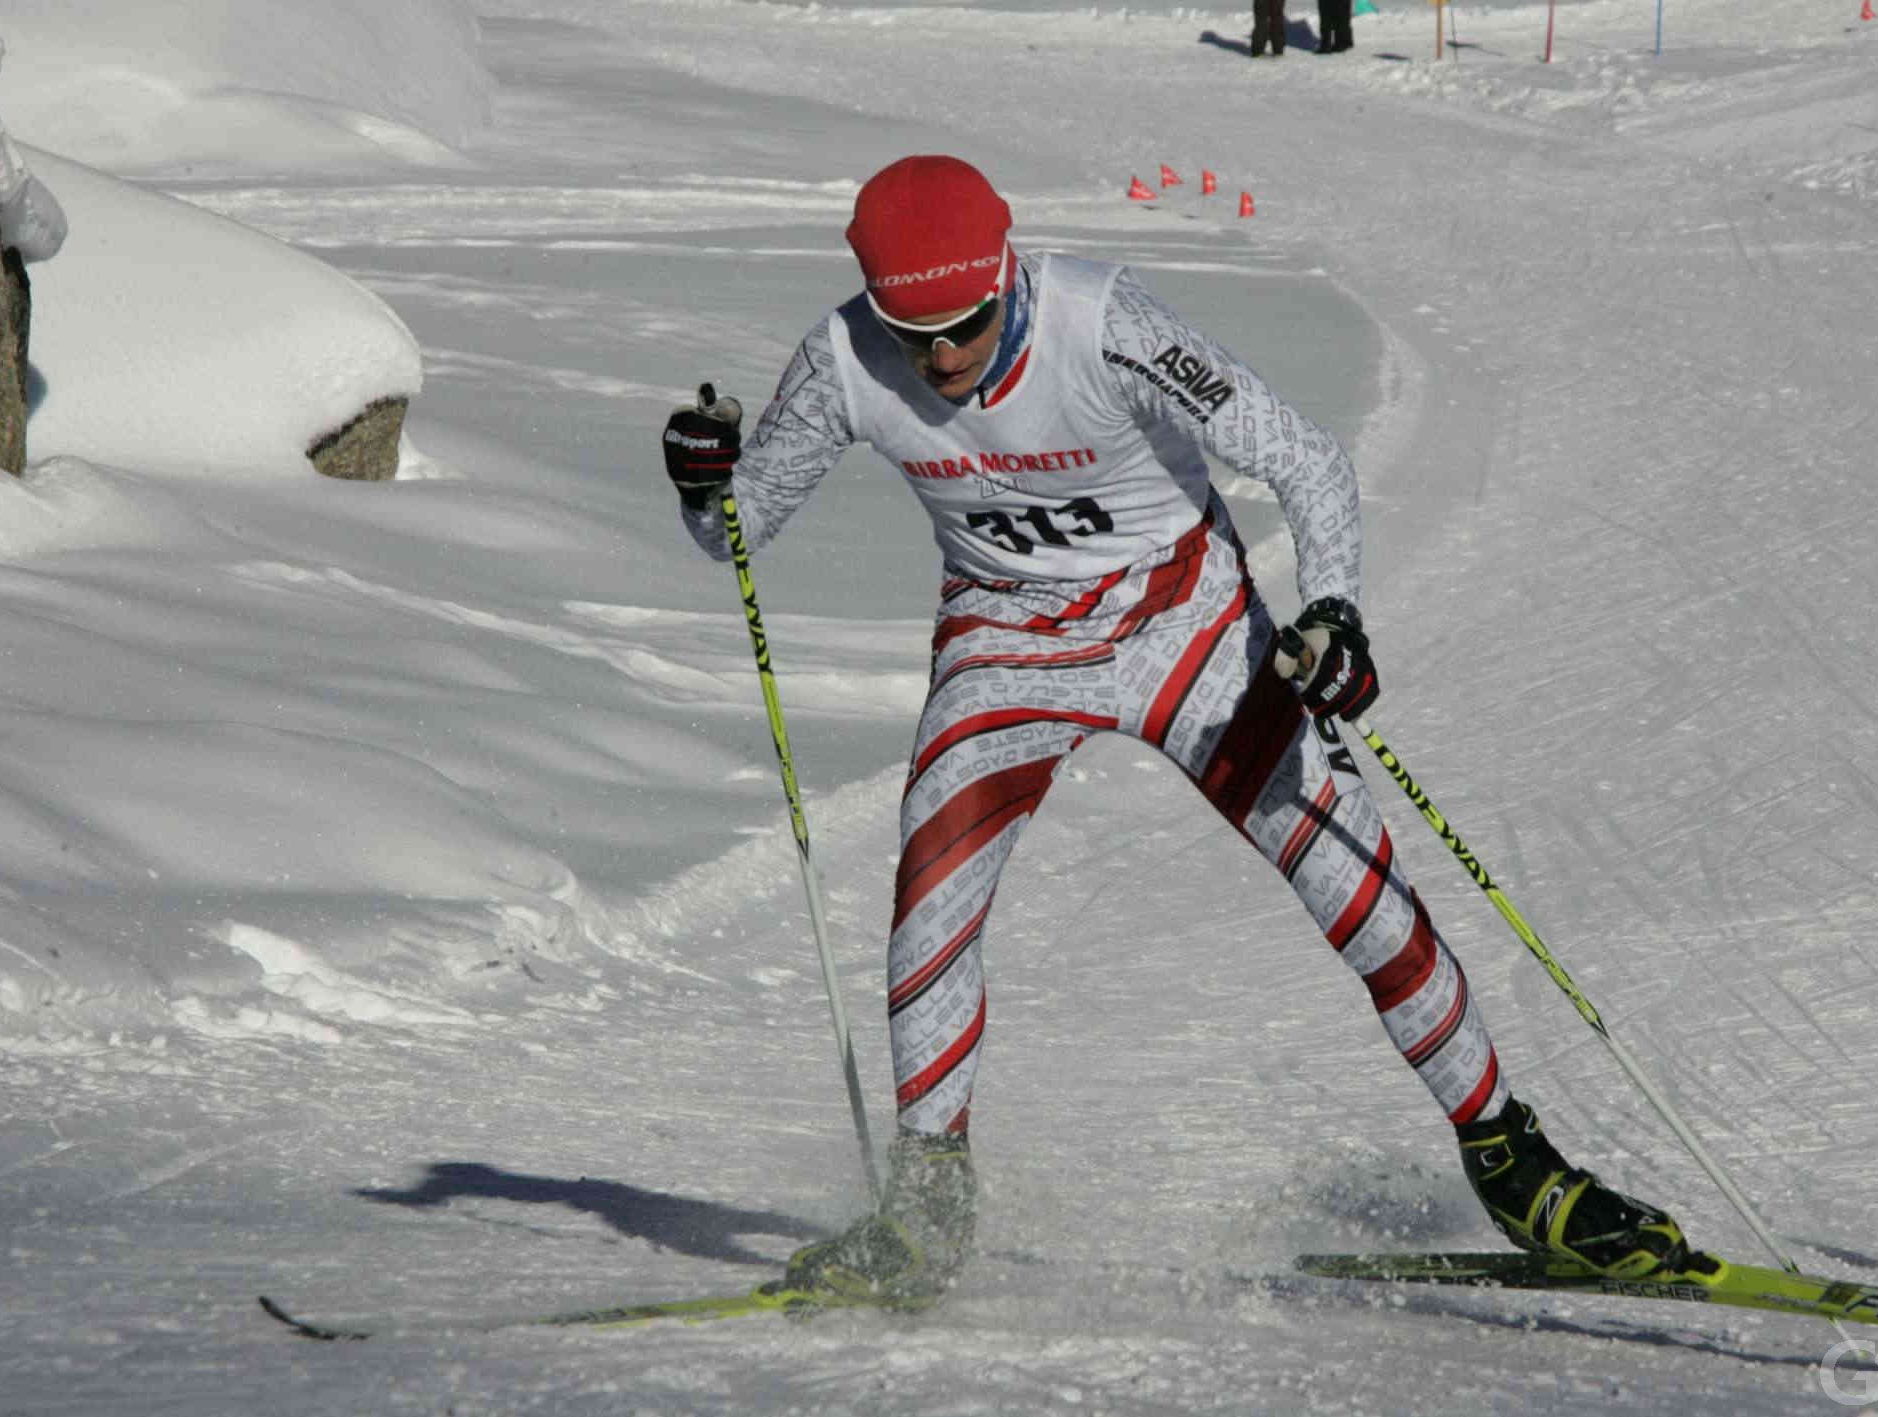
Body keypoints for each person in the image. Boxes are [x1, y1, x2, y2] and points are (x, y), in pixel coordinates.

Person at [662, 154, 1692, 1305]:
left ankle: (1517, 1169)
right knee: (930, 893)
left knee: (1350, 881)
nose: (944, 357)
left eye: (966, 324)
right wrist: (705, 487)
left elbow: (1303, 454)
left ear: (1006, 271)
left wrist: (1335, 611)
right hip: (1006, 644)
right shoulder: (844, 358)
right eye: (918, 337)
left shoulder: (1105, 324)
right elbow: (733, 535)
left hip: (1184, 622)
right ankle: (929, 1210)